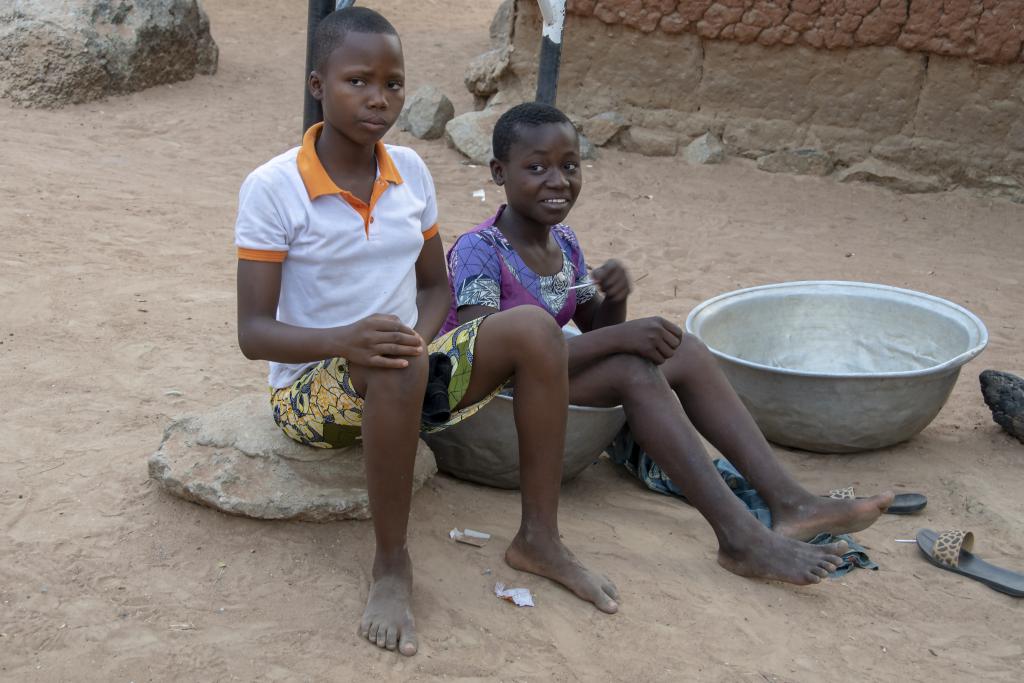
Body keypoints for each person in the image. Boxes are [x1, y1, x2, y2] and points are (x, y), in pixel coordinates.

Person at [234, 11, 617, 657]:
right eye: (358, 80)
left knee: (531, 329)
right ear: (318, 85)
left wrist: (414, 338)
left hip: (402, 361)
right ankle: (390, 564)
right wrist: (348, 341)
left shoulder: (409, 170)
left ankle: (539, 538)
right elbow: (253, 332)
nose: (378, 98)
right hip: (312, 388)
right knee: (395, 362)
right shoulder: (274, 188)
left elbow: (435, 287)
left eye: (392, 82)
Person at [444, 102, 896, 586]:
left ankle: (792, 503)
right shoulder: (480, 249)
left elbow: (595, 336)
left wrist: (612, 301)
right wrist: (623, 336)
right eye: (536, 168)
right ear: (498, 172)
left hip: (549, 386)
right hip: (486, 405)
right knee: (632, 369)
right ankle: (740, 538)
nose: (557, 181)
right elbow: (483, 354)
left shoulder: (565, 242)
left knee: (684, 349)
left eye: (569, 166)